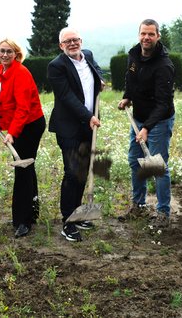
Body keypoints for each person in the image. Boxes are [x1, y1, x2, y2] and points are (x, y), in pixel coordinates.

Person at [48, 27, 104, 242]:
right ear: (61, 46)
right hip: (68, 127)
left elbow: (97, 70)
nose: (72, 44)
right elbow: (67, 97)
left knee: (83, 169)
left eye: (75, 40)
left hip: (89, 126)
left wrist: (100, 80)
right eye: (67, 41)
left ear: (81, 41)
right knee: (72, 172)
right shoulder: (56, 66)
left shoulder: (87, 55)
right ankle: (67, 222)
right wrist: (88, 116)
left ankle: (78, 213)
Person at [118, 19, 175, 228]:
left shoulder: (164, 66)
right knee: (135, 161)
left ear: (158, 36)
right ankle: (139, 206)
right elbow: (130, 79)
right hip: (139, 117)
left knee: (156, 166)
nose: (146, 38)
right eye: (143, 33)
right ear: (139, 35)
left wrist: (146, 128)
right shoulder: (134, 55)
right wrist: (127, 97)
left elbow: (163, 104)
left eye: (151, 34)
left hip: (159, 120)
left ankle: (163, 213)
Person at [0, 38, 46, 238]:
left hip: (29, 125)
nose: (5, 55)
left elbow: (23, 107)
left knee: (22, 169)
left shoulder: (20, 73)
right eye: (2, 51)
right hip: (17, 125)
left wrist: (12, 132)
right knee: (27, 167)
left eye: (9, 52)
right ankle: (33, 210)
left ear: (16, 54)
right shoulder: (1, 70)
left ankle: (23, 221)